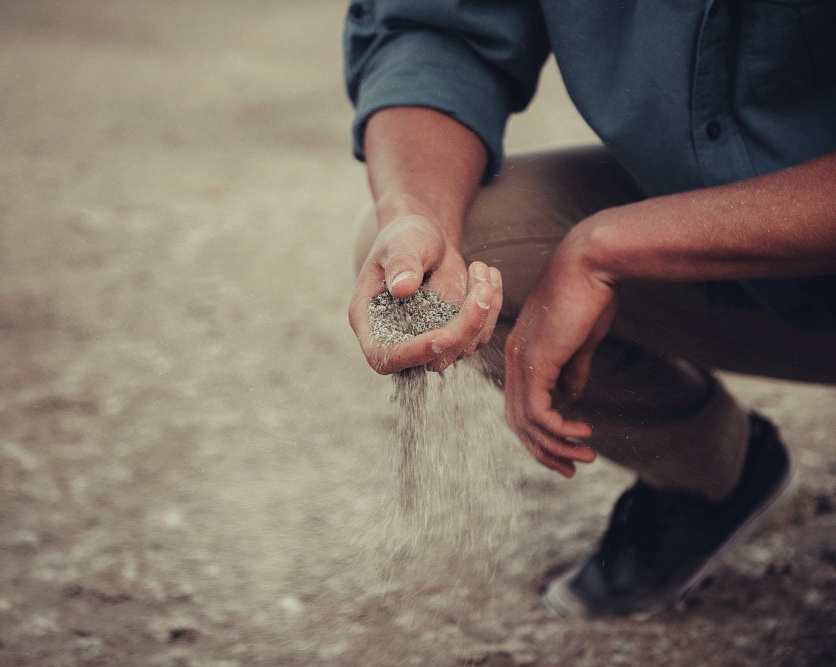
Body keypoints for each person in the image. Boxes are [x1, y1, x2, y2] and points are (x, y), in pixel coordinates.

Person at [342, 0, 836, 617]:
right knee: (461, 248)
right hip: (725, 217)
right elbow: (438, 29)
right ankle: (711, 474)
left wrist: (607, 250)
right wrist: (418, 210)